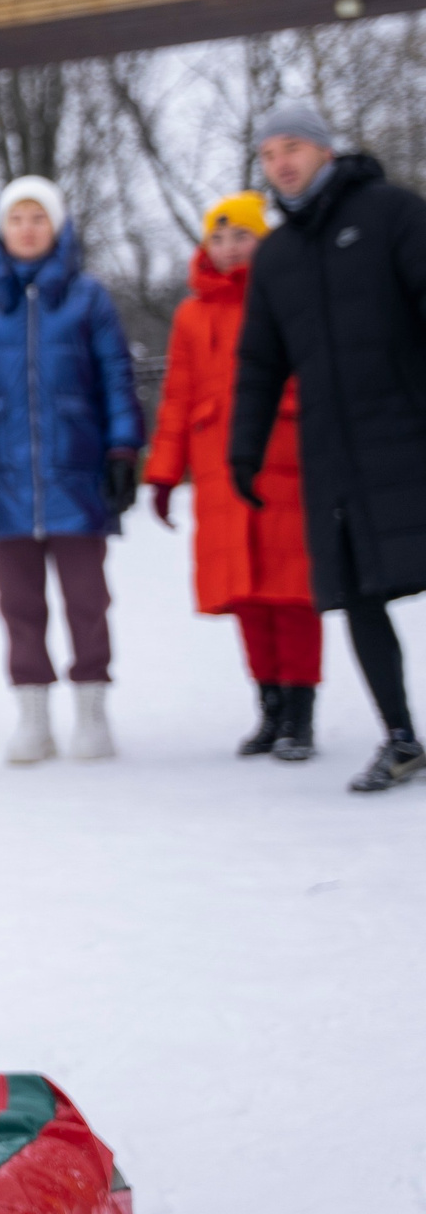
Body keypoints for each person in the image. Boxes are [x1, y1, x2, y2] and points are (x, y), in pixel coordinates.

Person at [231, 102, 426, 795]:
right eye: (268, 153)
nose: (281, 162)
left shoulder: (390, 213)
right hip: (336, 455)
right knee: (360, 595)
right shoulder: (277, 256)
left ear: (324, 150)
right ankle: (401, 737)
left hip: (410, 436)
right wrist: (243, 450)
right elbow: (259, 362)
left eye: (293, 147)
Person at [0, 175, 142, 766]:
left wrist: (123, 451)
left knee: (87, 599)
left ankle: (93, 714)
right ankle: (32, 718)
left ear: (58, 227)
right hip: (2, 476)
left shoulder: (89, 298)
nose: (28, 229)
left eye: (38, 219)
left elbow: (116, 379)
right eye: (16, 219)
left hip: (76, 471)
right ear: (0, 230)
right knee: (18, 604)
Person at [143, 191, 320, 761]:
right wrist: (165, 472)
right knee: (246, 596)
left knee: (291, 594)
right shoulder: (192, 315)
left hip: (285, 461)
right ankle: (268, 708)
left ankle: (300, 713)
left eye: (240, 236)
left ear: (261, 239)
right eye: (217, 239)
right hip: (219, 470)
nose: (228, 248)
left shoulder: (289, 294)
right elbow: (177, 396)